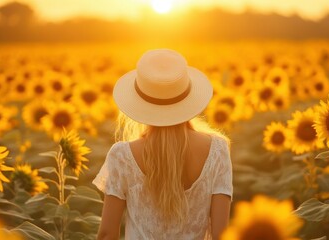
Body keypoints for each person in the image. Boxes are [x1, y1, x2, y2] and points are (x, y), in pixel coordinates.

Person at [92, 49, 233, 240]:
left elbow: (107, 235)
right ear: (188, 97)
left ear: (140, 101)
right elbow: (221, 235)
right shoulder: (217, 150)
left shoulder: (122, 155)